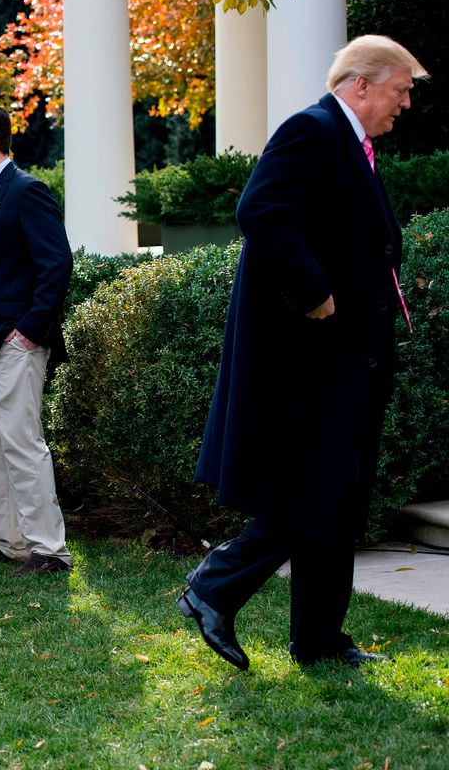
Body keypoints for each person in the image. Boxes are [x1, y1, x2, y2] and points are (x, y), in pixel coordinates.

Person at [179, 35, 427, 670]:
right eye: (400, 90)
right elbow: (260, 211)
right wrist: (313, 291)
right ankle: (215, 586)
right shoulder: (313, 131)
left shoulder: (348, 142)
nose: (405, 104)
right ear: (361, 85)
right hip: (311, 361)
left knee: (337, 500)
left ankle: (317, 639)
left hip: (343, 359)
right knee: (317, 495)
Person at [0, 101, 74, 577]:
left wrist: (30, 330)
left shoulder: (28, 191)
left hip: (18, 342)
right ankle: (13, 543)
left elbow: (56, 265)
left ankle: (50, 550)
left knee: (22, 444)